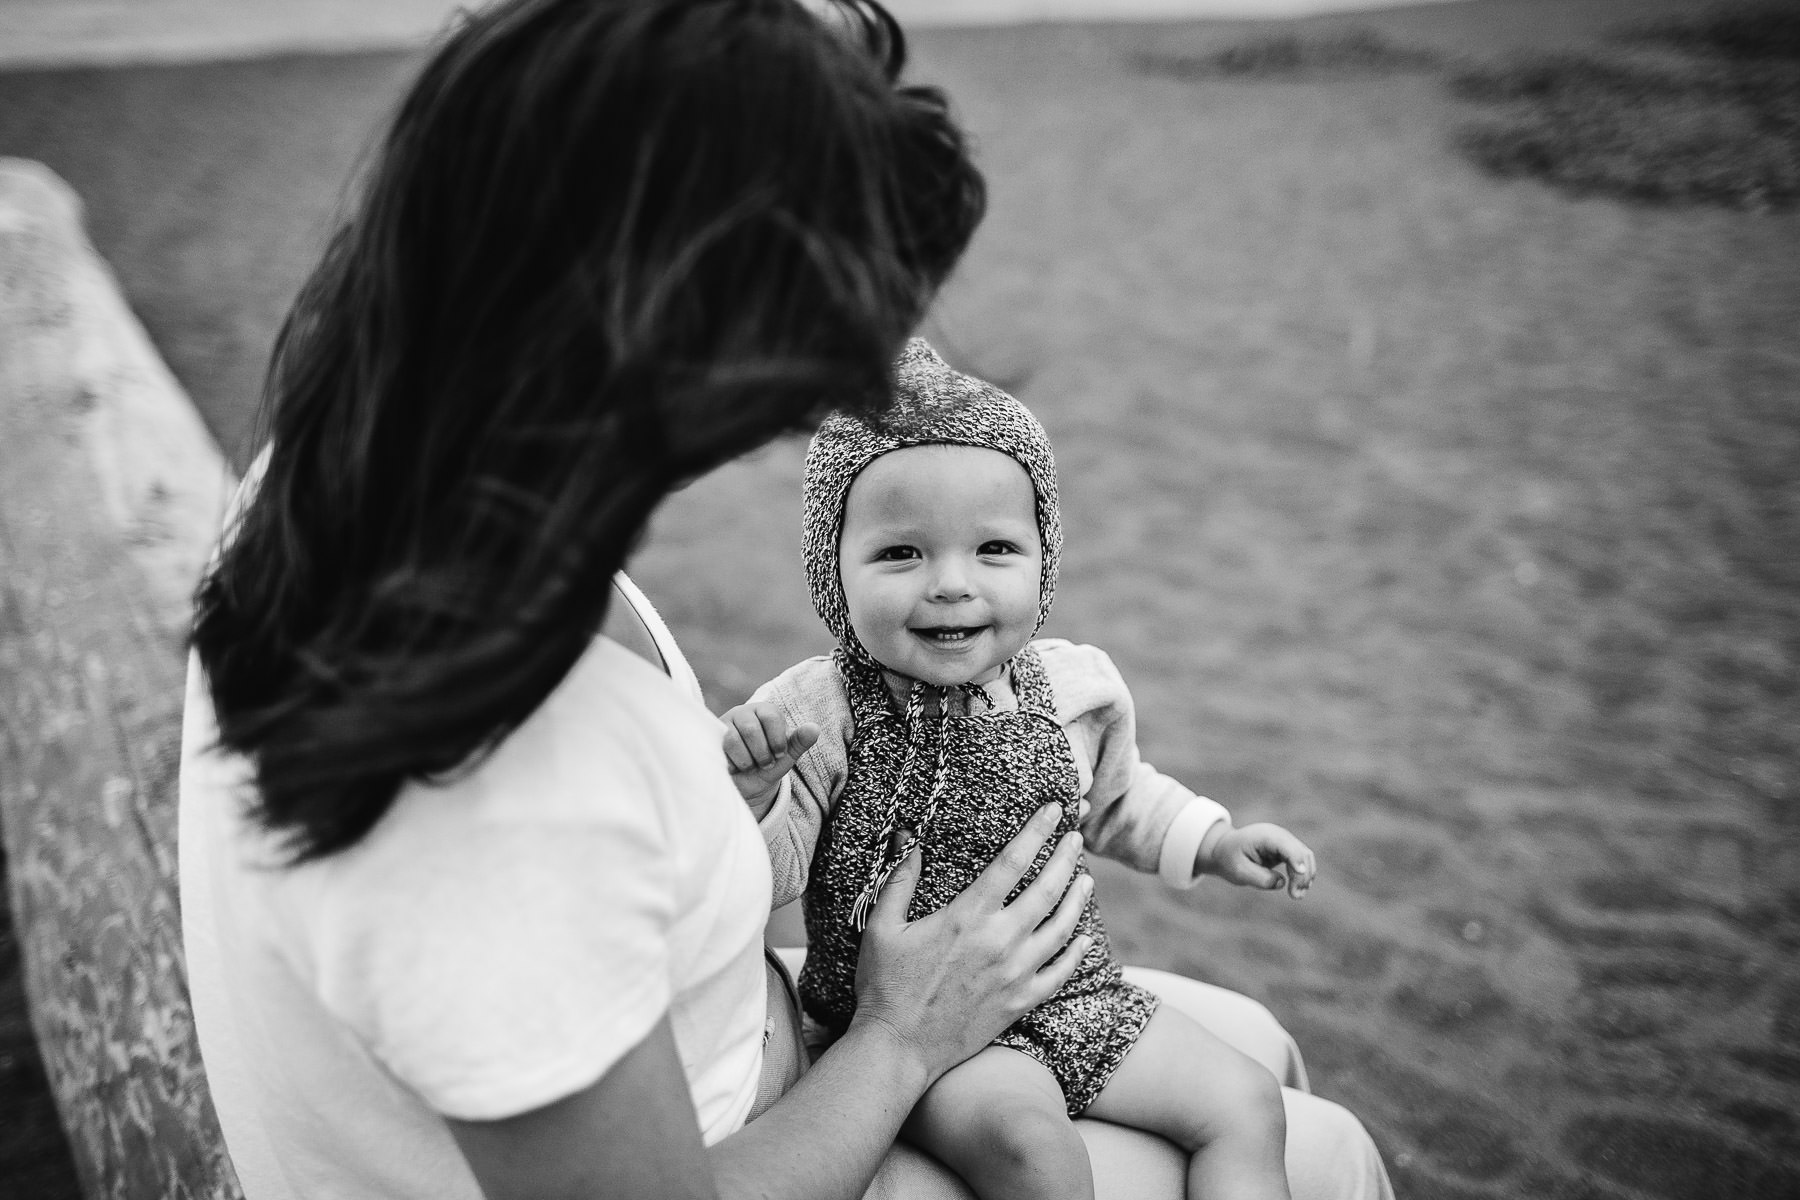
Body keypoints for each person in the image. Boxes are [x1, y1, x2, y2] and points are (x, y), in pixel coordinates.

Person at [176, 1, 1392, 1198]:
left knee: (1260, 1056)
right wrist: (900, 1037)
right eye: (793, 371)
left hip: (769, 1027)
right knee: (1325, 1151)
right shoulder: (483, 763)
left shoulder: (361, 464)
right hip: (788, 1113)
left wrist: (723, 814)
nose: (807, 410)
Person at [722, 340, 1318, 1200]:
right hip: (932, 1035)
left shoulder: (1074, 688)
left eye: (994, 549)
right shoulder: (818, 711)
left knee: (1248, 1102)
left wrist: (1215, 841)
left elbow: (1117, 802)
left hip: (1073, 991)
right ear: (832, 574)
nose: (953, 585)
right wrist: (755, 797)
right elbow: (774, 876)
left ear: (1044, 560)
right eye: (902, 554)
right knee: (1037, 1155)